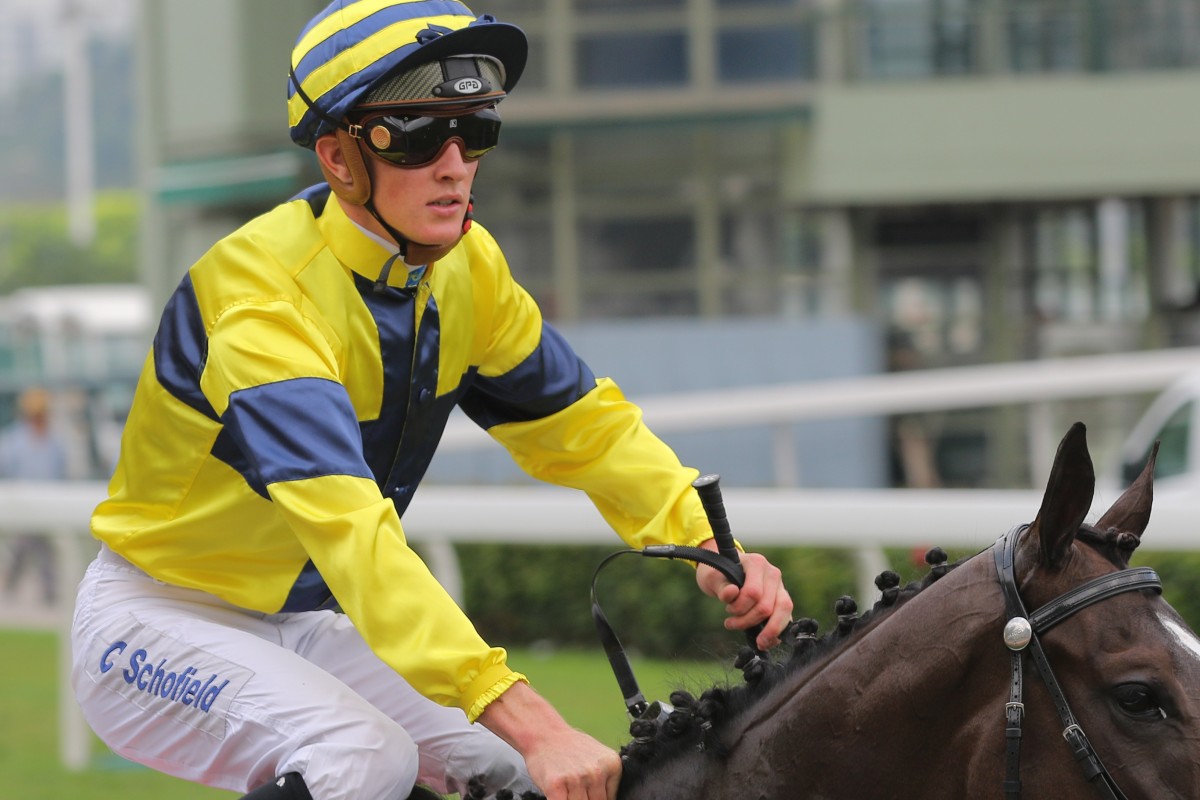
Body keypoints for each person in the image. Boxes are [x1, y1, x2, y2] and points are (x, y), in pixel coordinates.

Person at [69, 3, 794, 800]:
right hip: (156, 622)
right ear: (338, 157)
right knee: (366, 759)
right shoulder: (259, 304)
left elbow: (587, 431)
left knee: (519, 772)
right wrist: (529, 715)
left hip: (302, 622)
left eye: (474, 130)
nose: (454, 163)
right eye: (418, 135)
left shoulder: (466, 267)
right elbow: (357, 541)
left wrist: (705, 543)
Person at [1, 386, 68, 605]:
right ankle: (12, 589)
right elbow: (7, 470)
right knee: (23, 549)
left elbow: (60, 472)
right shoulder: (13, 440)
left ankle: (48, 593)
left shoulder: (54, 440)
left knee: (42, 551)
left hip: (47, 506)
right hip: (21, 505)